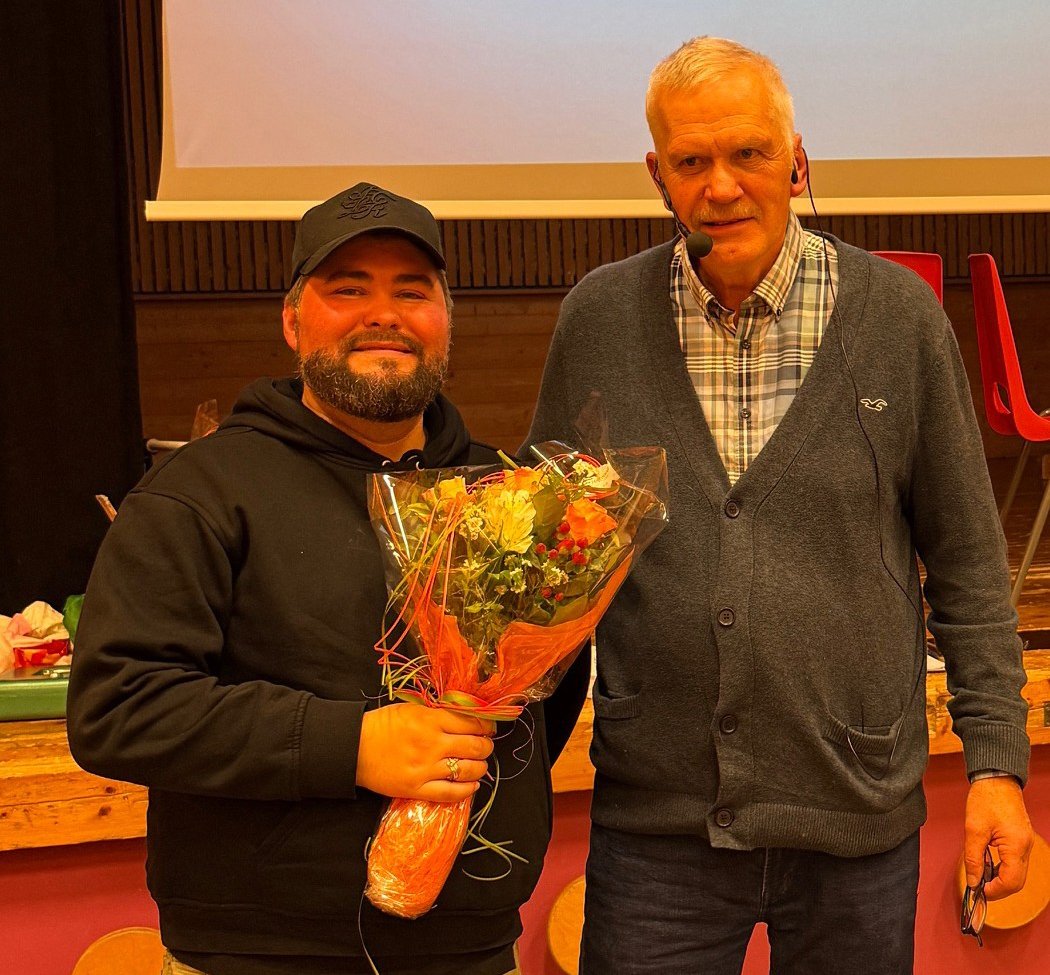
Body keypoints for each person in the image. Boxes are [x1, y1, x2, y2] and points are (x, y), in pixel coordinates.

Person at [525, 37, 1033, 975]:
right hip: (657, 828)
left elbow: (967, 562)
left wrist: (996, 765)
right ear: (658, 176)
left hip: (857, 814)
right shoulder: (597, 320)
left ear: (797, 162)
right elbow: (551, 563)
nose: (721, 186)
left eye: (749, 153)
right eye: (692, 161)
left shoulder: (898, 319)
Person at [68, 182, 586, 975]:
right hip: (255, 958)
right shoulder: (199, 492)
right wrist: (353, 744)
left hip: (476, 951)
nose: (384, 314)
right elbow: (117, 708)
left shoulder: (509, 493)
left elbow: (548, 694)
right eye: (348, 290)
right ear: (291, 321)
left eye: (412, 291)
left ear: (446, 321)